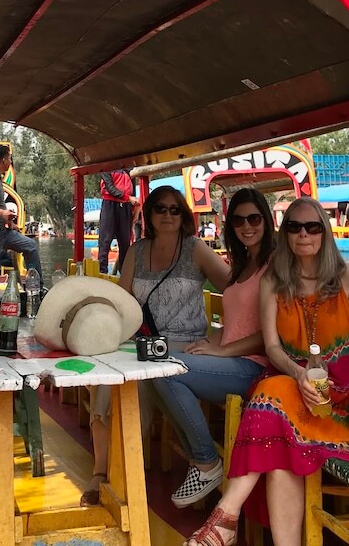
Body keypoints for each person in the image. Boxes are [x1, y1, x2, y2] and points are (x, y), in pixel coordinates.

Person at [183, 196, 349, 546]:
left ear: (324, 233)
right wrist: (298, 374)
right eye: (295, 227)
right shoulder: (273, 281)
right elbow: (271, 347)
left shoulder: (345, 277)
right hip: (295, 400)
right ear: (284, 234)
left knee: (270, 398)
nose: (304, 234)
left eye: (312, 227)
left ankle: (226, 517)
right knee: (276, 399)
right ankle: (232, 522)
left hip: (344, 410)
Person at [81, 185, 231, 507]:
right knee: (105, 380)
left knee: (141, 384)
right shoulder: (137, 251)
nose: (167, 215)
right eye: (160, 209)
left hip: (183, 344)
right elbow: (122, 302)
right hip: (141, 341)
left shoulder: (196, 250)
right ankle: (101, 471)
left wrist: (217, 340)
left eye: (174, 210)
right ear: (149, 214)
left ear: (183, 216)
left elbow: (235, 293)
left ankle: (124, 468)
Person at [153, 187, 275, 507]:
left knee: (167, 370)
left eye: (254, 218)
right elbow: (239, 323)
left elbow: (273, 334)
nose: (246, 226)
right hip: (234, 360)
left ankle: (207, 463)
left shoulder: (274, 266)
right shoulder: (243, 264)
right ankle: (202, 461)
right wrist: (210, 343)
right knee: (163, 366)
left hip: (256, 368)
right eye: (238, 220)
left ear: (266, 220)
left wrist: (222, 351)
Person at [0, 145, 43, 283]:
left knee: (30, 246)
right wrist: (2, 213)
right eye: (10, 159)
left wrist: (10, 223)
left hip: (3, 230)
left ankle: (35, 284)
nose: (10, 162)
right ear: (4, 160)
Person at [98, 169, 138, 274]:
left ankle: (124, 274)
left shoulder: (129, 169)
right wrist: (128, 198)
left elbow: (133, 192)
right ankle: (102, 272)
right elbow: (110, 188)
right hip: (109, 204)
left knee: (125, 242)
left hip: (125, 206)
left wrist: (134, 211)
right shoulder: (106, 167)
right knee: (105, 241)